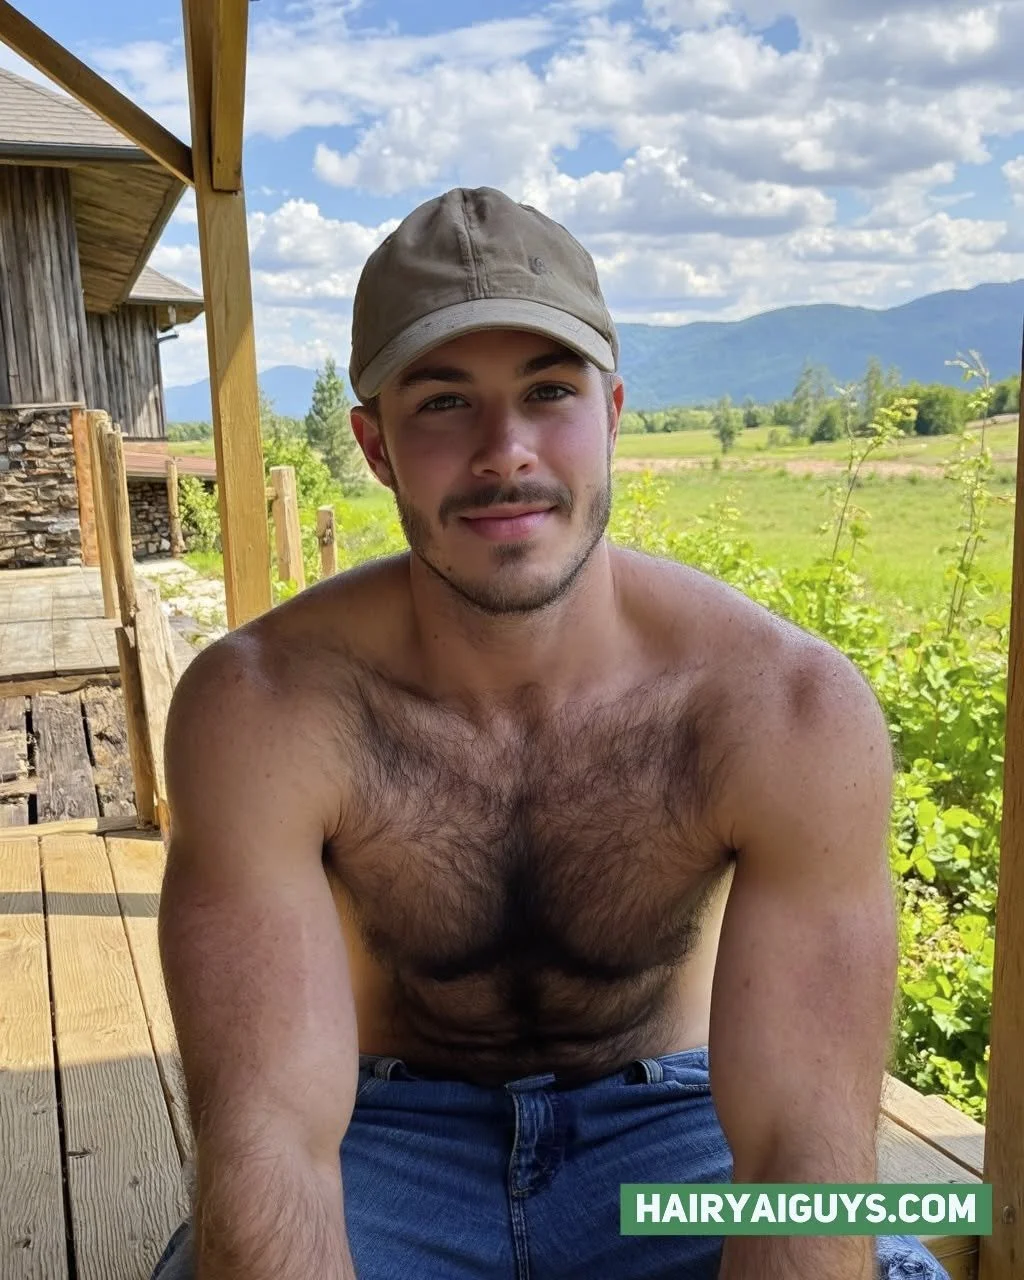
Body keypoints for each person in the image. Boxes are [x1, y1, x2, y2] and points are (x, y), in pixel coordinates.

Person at [151, 187, 950, 1280]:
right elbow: (273, 1135)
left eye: (548, 390)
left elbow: (798, 1141)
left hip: (676, 1146)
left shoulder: (782, 706)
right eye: (443, 403)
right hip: (387, 1143)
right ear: (375, 445)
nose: (505, 451)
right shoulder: (268, 706)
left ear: (611, 411)